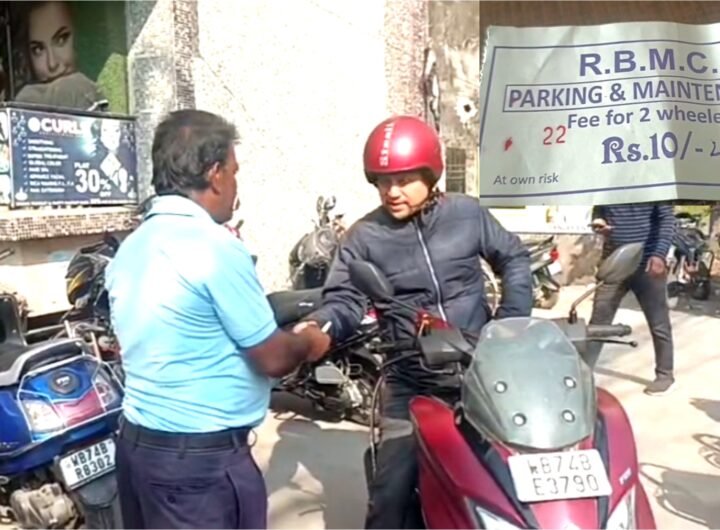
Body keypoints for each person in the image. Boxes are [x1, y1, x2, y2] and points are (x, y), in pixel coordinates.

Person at [294, 115, 533, 528]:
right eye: (383, 182)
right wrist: (317, 327)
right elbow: (345, 300)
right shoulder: (363, 237)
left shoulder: (466, 214)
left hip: (486, 368)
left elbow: (513, 258)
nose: (392, 191)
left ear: (430, 175)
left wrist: (509, 323)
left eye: (404, 180)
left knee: (525, 471)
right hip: (412, 380)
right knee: (390, 493)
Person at [104, 109, 331, 529]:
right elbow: (273, 357)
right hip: (199, 468)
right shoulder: (214, 248)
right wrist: (310, 339)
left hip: (139, 450)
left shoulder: (131, 248)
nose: (235, 184)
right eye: (233, 171)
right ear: (214, 174)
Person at [589, 203, 676, 395]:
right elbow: (599, 210)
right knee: (598, 323)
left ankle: (665, 375)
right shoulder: (608, 188)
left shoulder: (655, 188)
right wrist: (598, 221)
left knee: (659, 323)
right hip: (614, 264)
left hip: (648, 265)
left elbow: (667, 220)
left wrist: (659, 255)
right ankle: (583, 372)